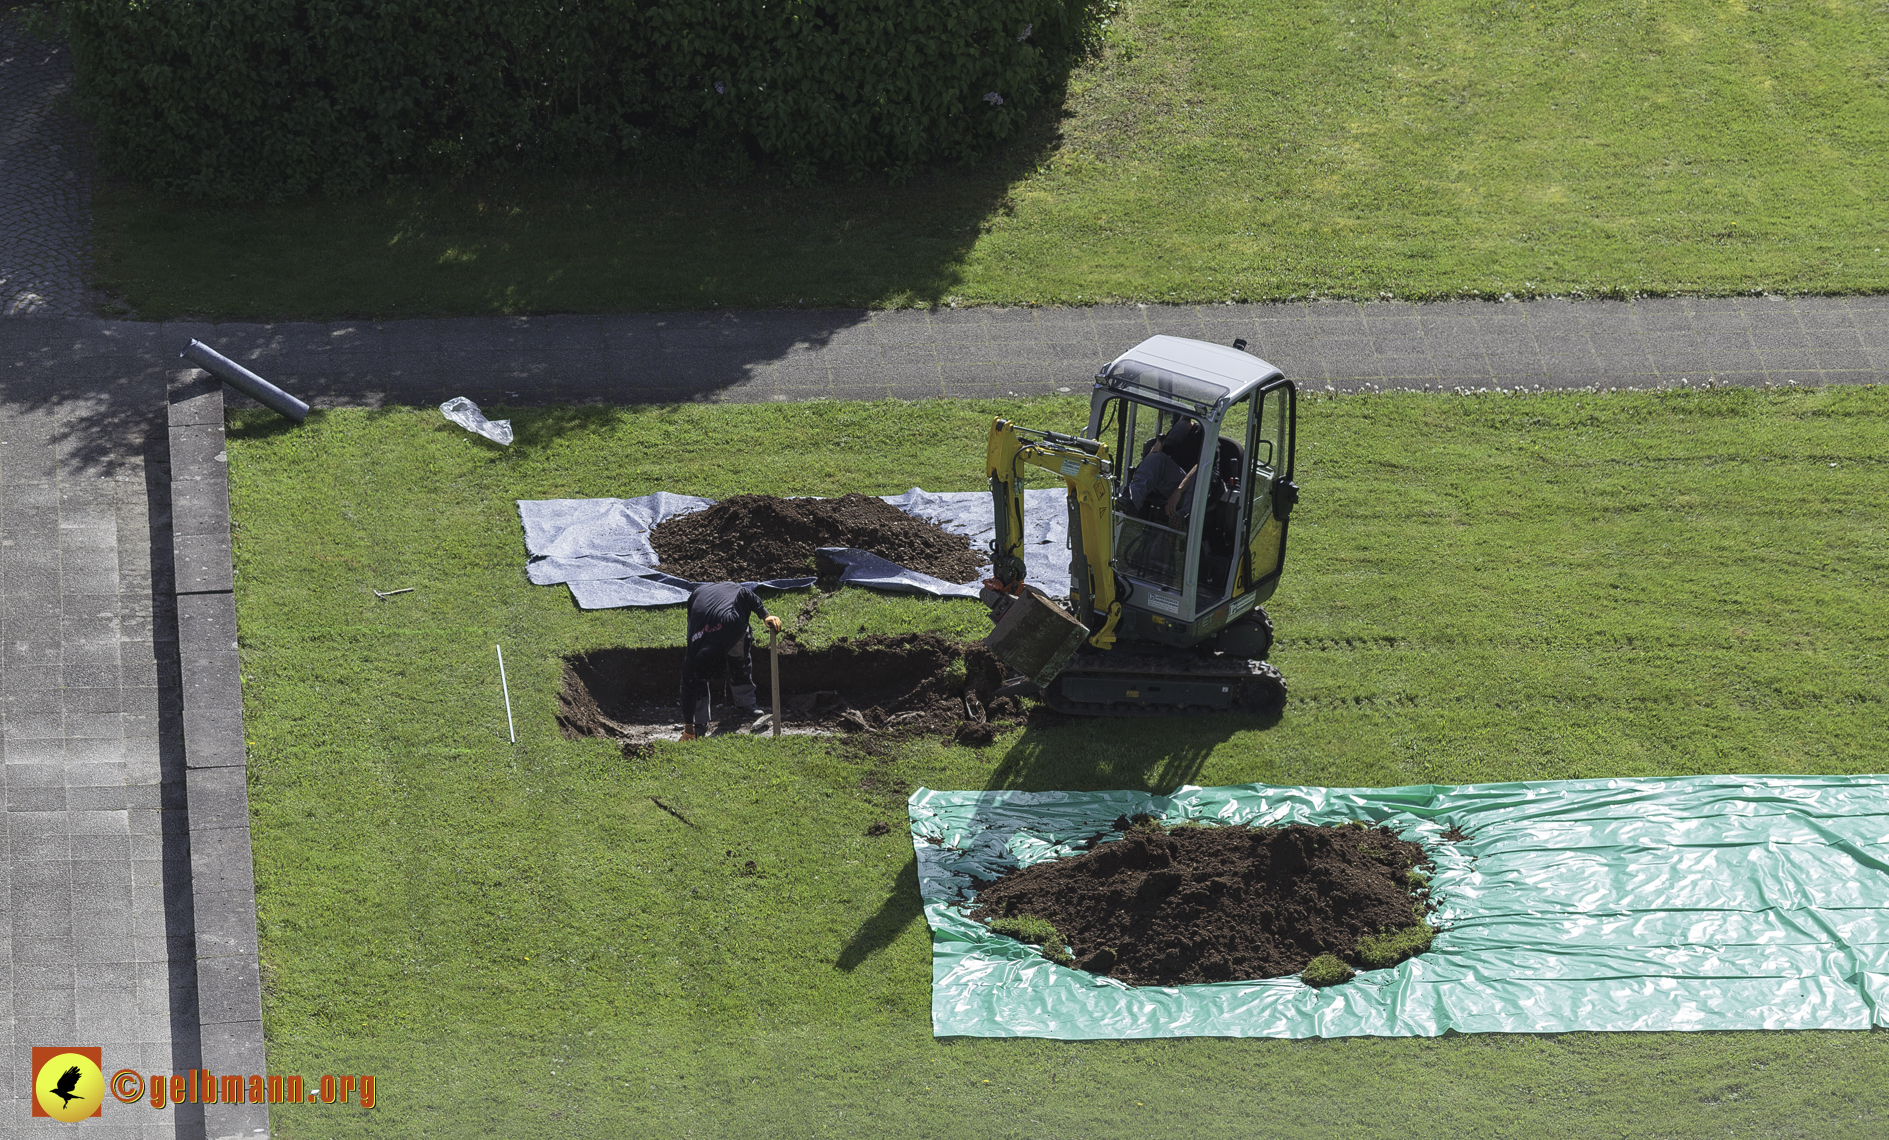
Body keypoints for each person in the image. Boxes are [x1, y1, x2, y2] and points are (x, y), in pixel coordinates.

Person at [678, 582, 783, 740]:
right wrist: (688, 728)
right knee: (696, 679)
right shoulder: (693, 651)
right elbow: (687, 688)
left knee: (739, 658)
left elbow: (744, 593)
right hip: (698, 595)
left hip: (729, 603)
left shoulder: (733, 623)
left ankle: (745, 702)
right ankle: (699, 721)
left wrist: (765, 615)